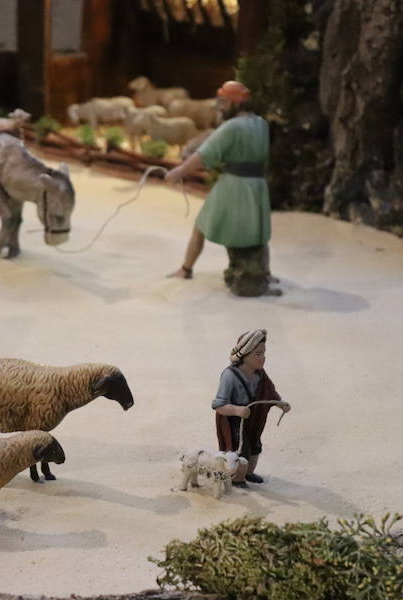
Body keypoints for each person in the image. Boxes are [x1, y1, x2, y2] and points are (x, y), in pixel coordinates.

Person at [165, 81, 275, 294]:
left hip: (234, 185)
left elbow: (204, 154)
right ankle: (265, 272)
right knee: (257, 232)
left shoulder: (231, 127)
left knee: (201, 225)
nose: (220, 106)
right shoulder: (261, 123)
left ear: (236, 103)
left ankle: (186, 269)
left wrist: (179, 171)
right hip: (257, 186)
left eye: (223, 102)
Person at [212, 329, 290, 486]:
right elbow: (218, 405)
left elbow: (269, 393)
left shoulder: (260, 374)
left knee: (255, 445)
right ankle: (237, 478)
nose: (263, 358)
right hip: (235, 421)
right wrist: (236, 410)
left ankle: (249, 472)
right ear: (245, 353)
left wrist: (279, 403)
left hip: (254, 418)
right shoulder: (229, 375)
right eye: (257, 354)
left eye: (263, 353)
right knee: (241, 449)